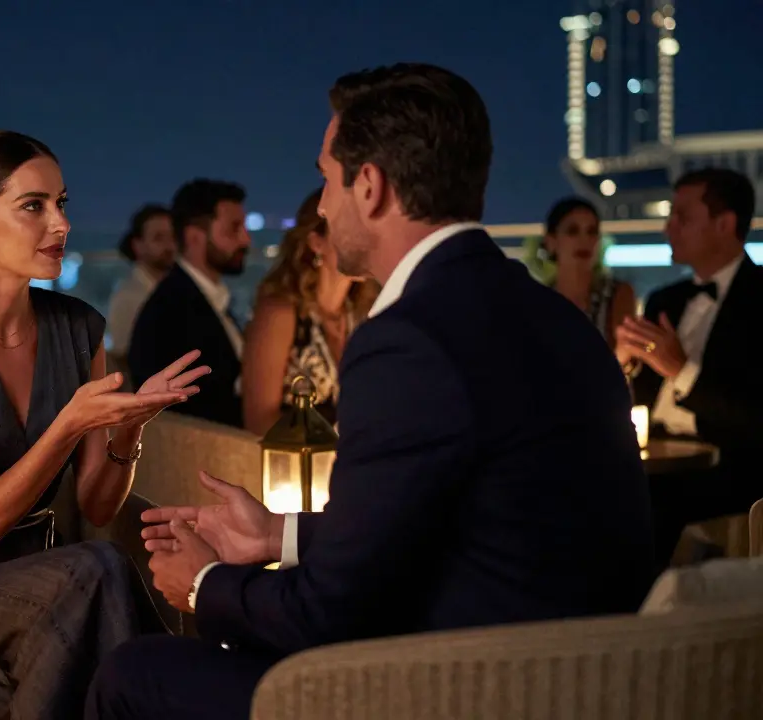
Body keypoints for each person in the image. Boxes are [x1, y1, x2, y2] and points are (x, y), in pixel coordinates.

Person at [87, 63, 655, 720]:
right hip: (588, 680)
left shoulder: (408, 338)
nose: (322, 207)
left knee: (134, 673)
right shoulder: (561, 319)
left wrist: (206, 583)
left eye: (326, 179)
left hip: (460, 686)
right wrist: (280, 535)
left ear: (369, 185)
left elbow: (328, 615)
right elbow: (462, 523)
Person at [0, 129, 207, 719]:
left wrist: (130, 428)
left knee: (86, 589)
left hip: (60, 587)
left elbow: (99, 507)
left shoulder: (79, 329)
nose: (61, 224)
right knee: (98, 571)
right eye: (33, 206)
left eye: (61, 203)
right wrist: (69, 424)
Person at [620, 168, 763, 568]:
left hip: (726, 476)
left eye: (682, 217)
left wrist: (681, 372)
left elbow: (754, 419)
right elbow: (639, 399)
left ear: (724, 224)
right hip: (652, 466)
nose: (668, 227)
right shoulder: (664, 300)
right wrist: (623, 365)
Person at [241, 189, 378, 435]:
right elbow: (259, 419)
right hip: (291, 468)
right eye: (352, 231)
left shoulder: (359, 318)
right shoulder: (280, 314)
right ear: (317, 243)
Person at [128, 180, 252, 428]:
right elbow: (198, 411)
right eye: (234, 229)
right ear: (195, 238)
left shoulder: (200, 298)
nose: (246, 240)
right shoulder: (171, 312)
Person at [539, 197, 635, 348]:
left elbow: (626, 355)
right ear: (551, 241)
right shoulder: (538, 301)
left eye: (592, 232)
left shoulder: (616, 294)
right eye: (573, 231)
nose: (584, 240)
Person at [107, 204, 177, 373]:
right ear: (137, 245)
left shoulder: (176, 291)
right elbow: (123, 359)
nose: (169, 246)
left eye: (173, 237)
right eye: (158, 238)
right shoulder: (128, 297)